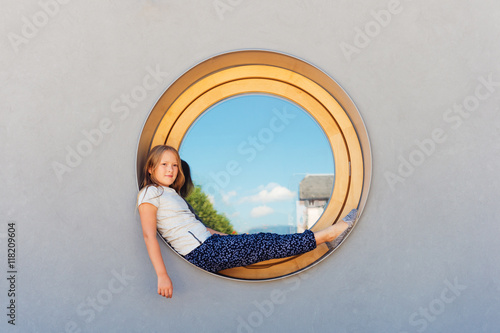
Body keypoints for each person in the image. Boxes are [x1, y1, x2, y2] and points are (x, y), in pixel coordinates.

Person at [137, 145, 358, 298]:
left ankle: (327, 236)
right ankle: (330, 235)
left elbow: (198, 228)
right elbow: (148, 235)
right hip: (201, 252)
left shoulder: (170, 194)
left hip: (209, 245)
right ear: (150, 168)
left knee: (263, 241)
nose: (171, 170)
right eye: (164, 164)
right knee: (266, 244)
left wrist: (227, 238)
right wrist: (162, 275)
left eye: (174, 165)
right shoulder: (150, 193)